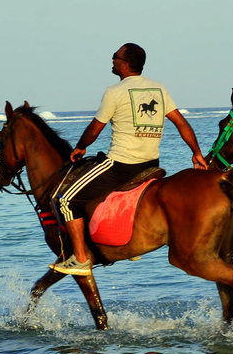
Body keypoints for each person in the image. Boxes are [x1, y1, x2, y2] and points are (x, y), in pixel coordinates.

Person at [51, 43, 207, 275]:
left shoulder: (114, 92)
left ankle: (81, 258)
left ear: (124, 64)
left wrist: (81, 147)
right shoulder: (159, 89)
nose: (112, 60)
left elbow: (95, 129)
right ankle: (124, 242)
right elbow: (181, 122)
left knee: (65, 199)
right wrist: (196, 152)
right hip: (151, 164)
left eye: (114, 57)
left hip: (121, 165)